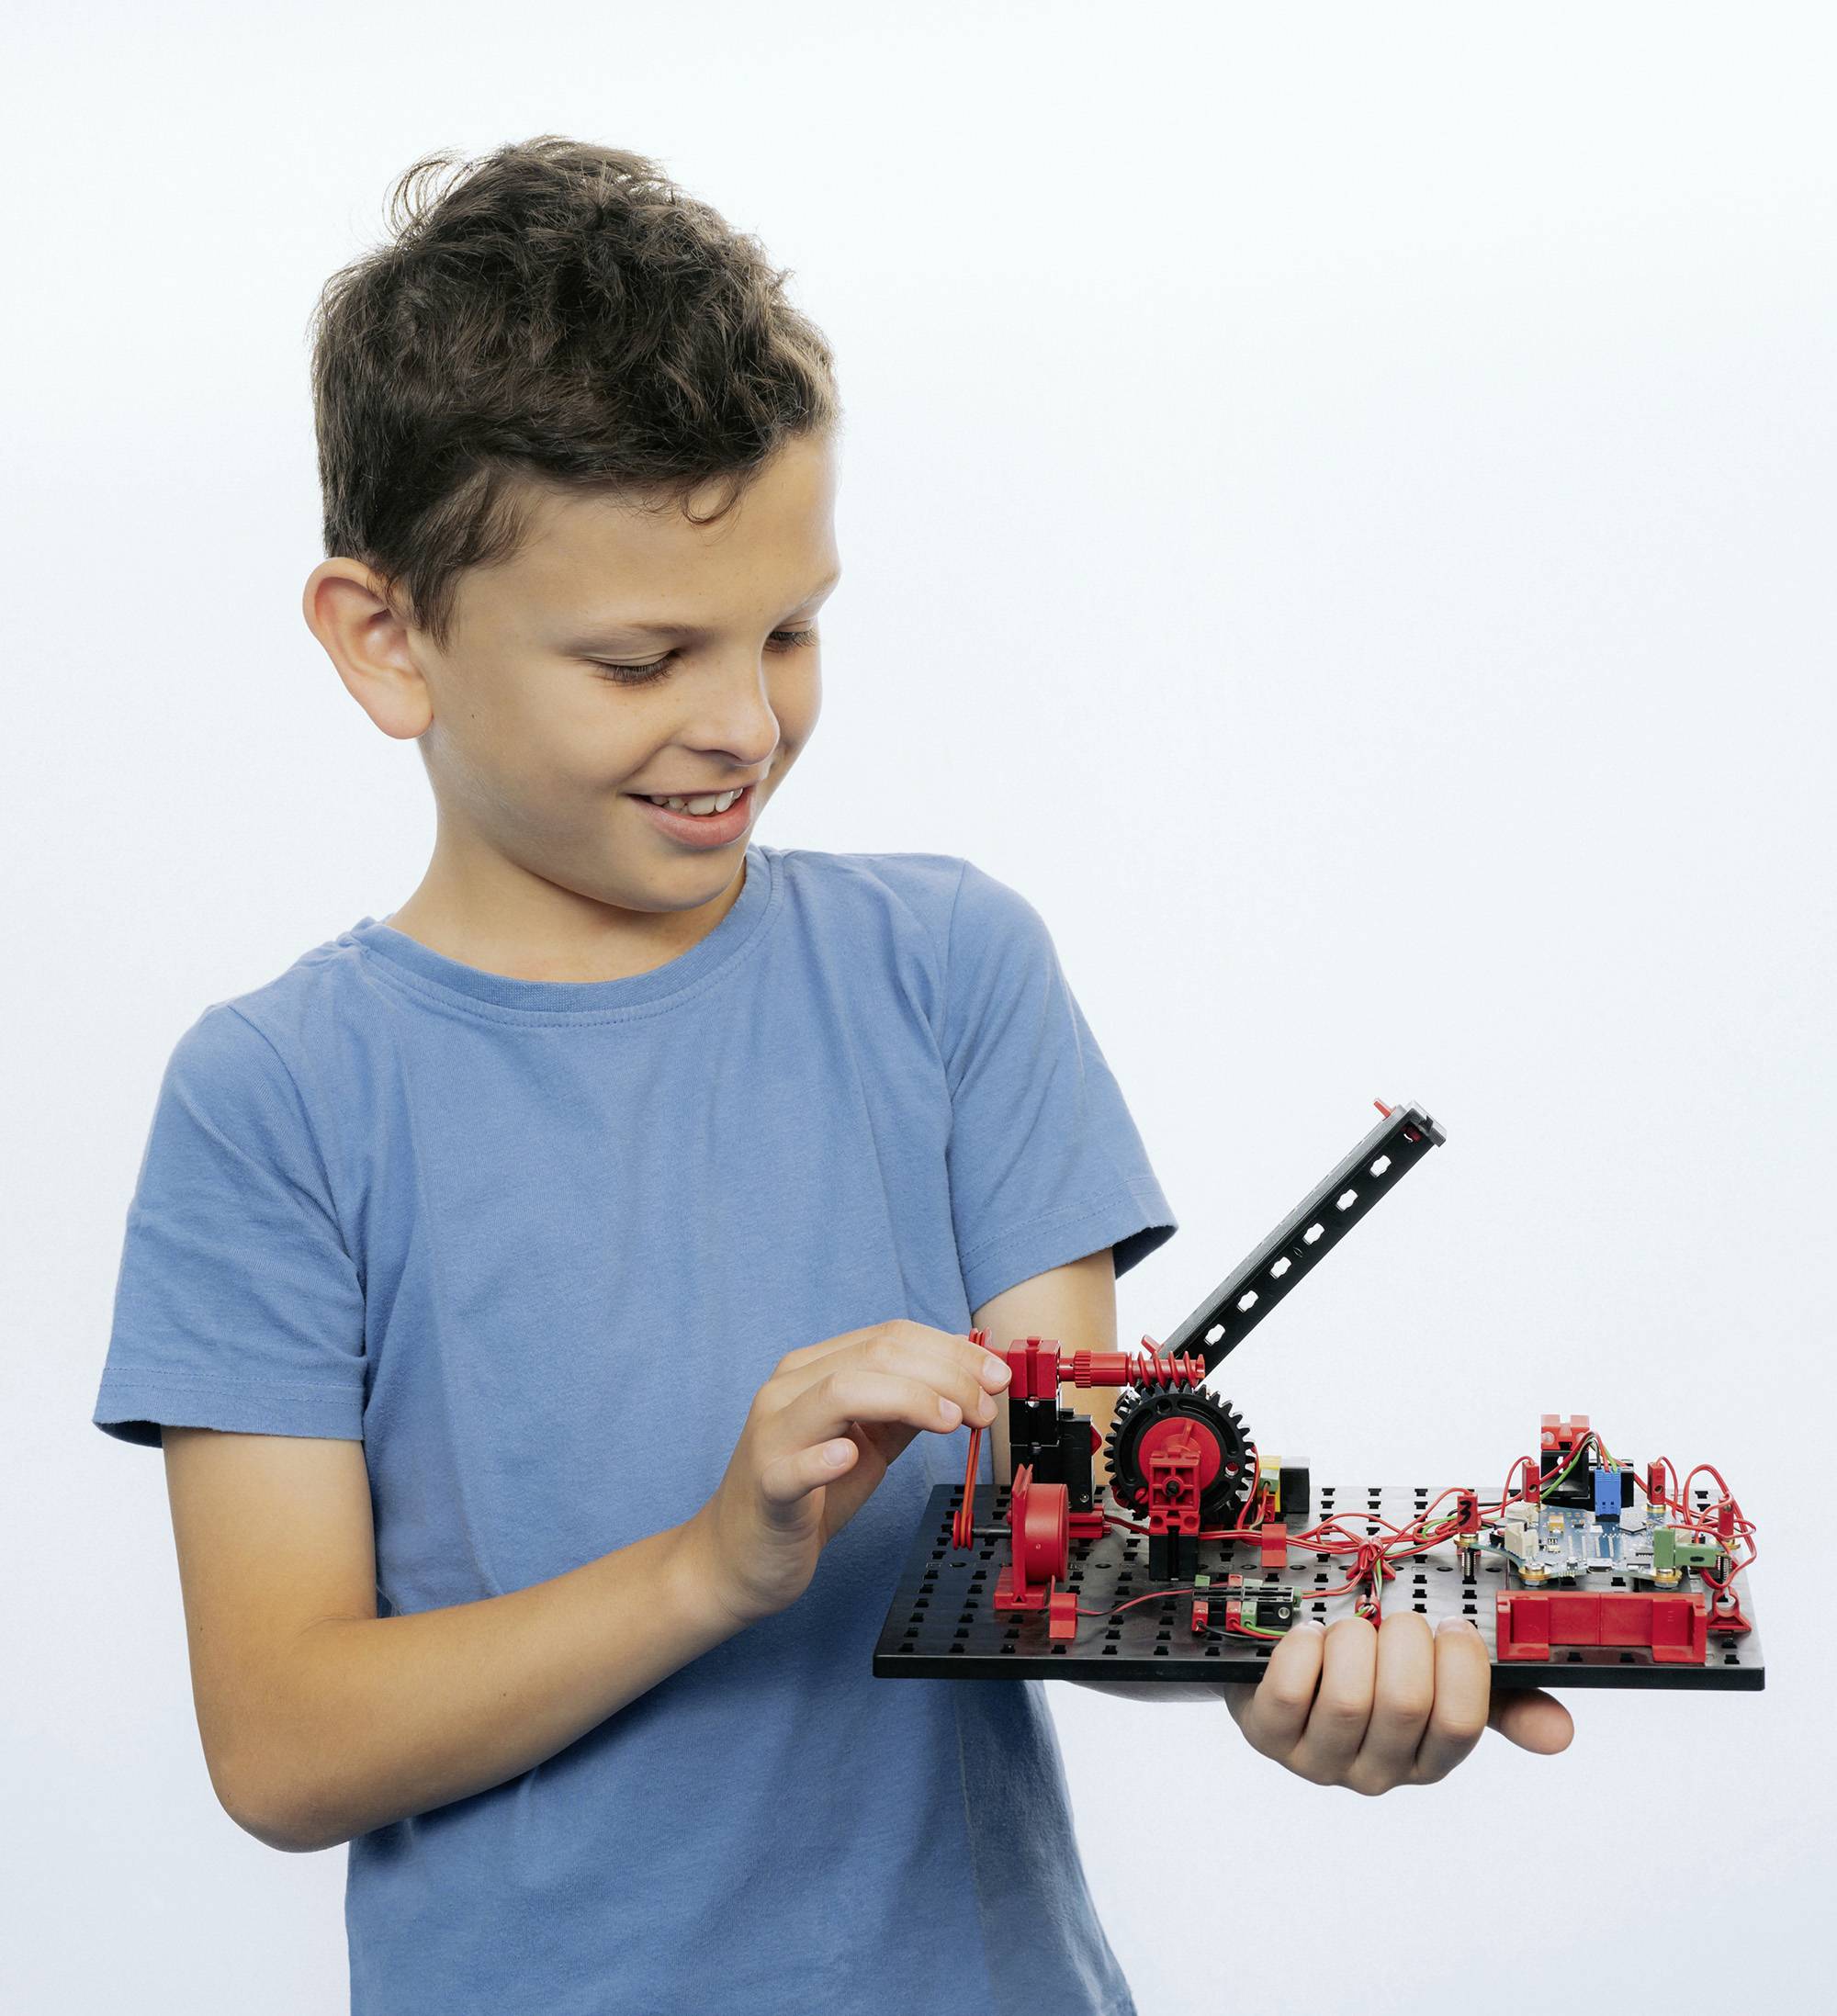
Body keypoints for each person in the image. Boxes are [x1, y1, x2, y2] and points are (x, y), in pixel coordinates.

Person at [90, 135, 1572, 2016]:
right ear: (386, 640)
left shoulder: (947, 972)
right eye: (641, 660)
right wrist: (712, 1566)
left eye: (789, 631)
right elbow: (286, 1743)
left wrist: (1285, 1654)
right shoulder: (277, 1099)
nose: (741, 723)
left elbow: (1089, 1544)